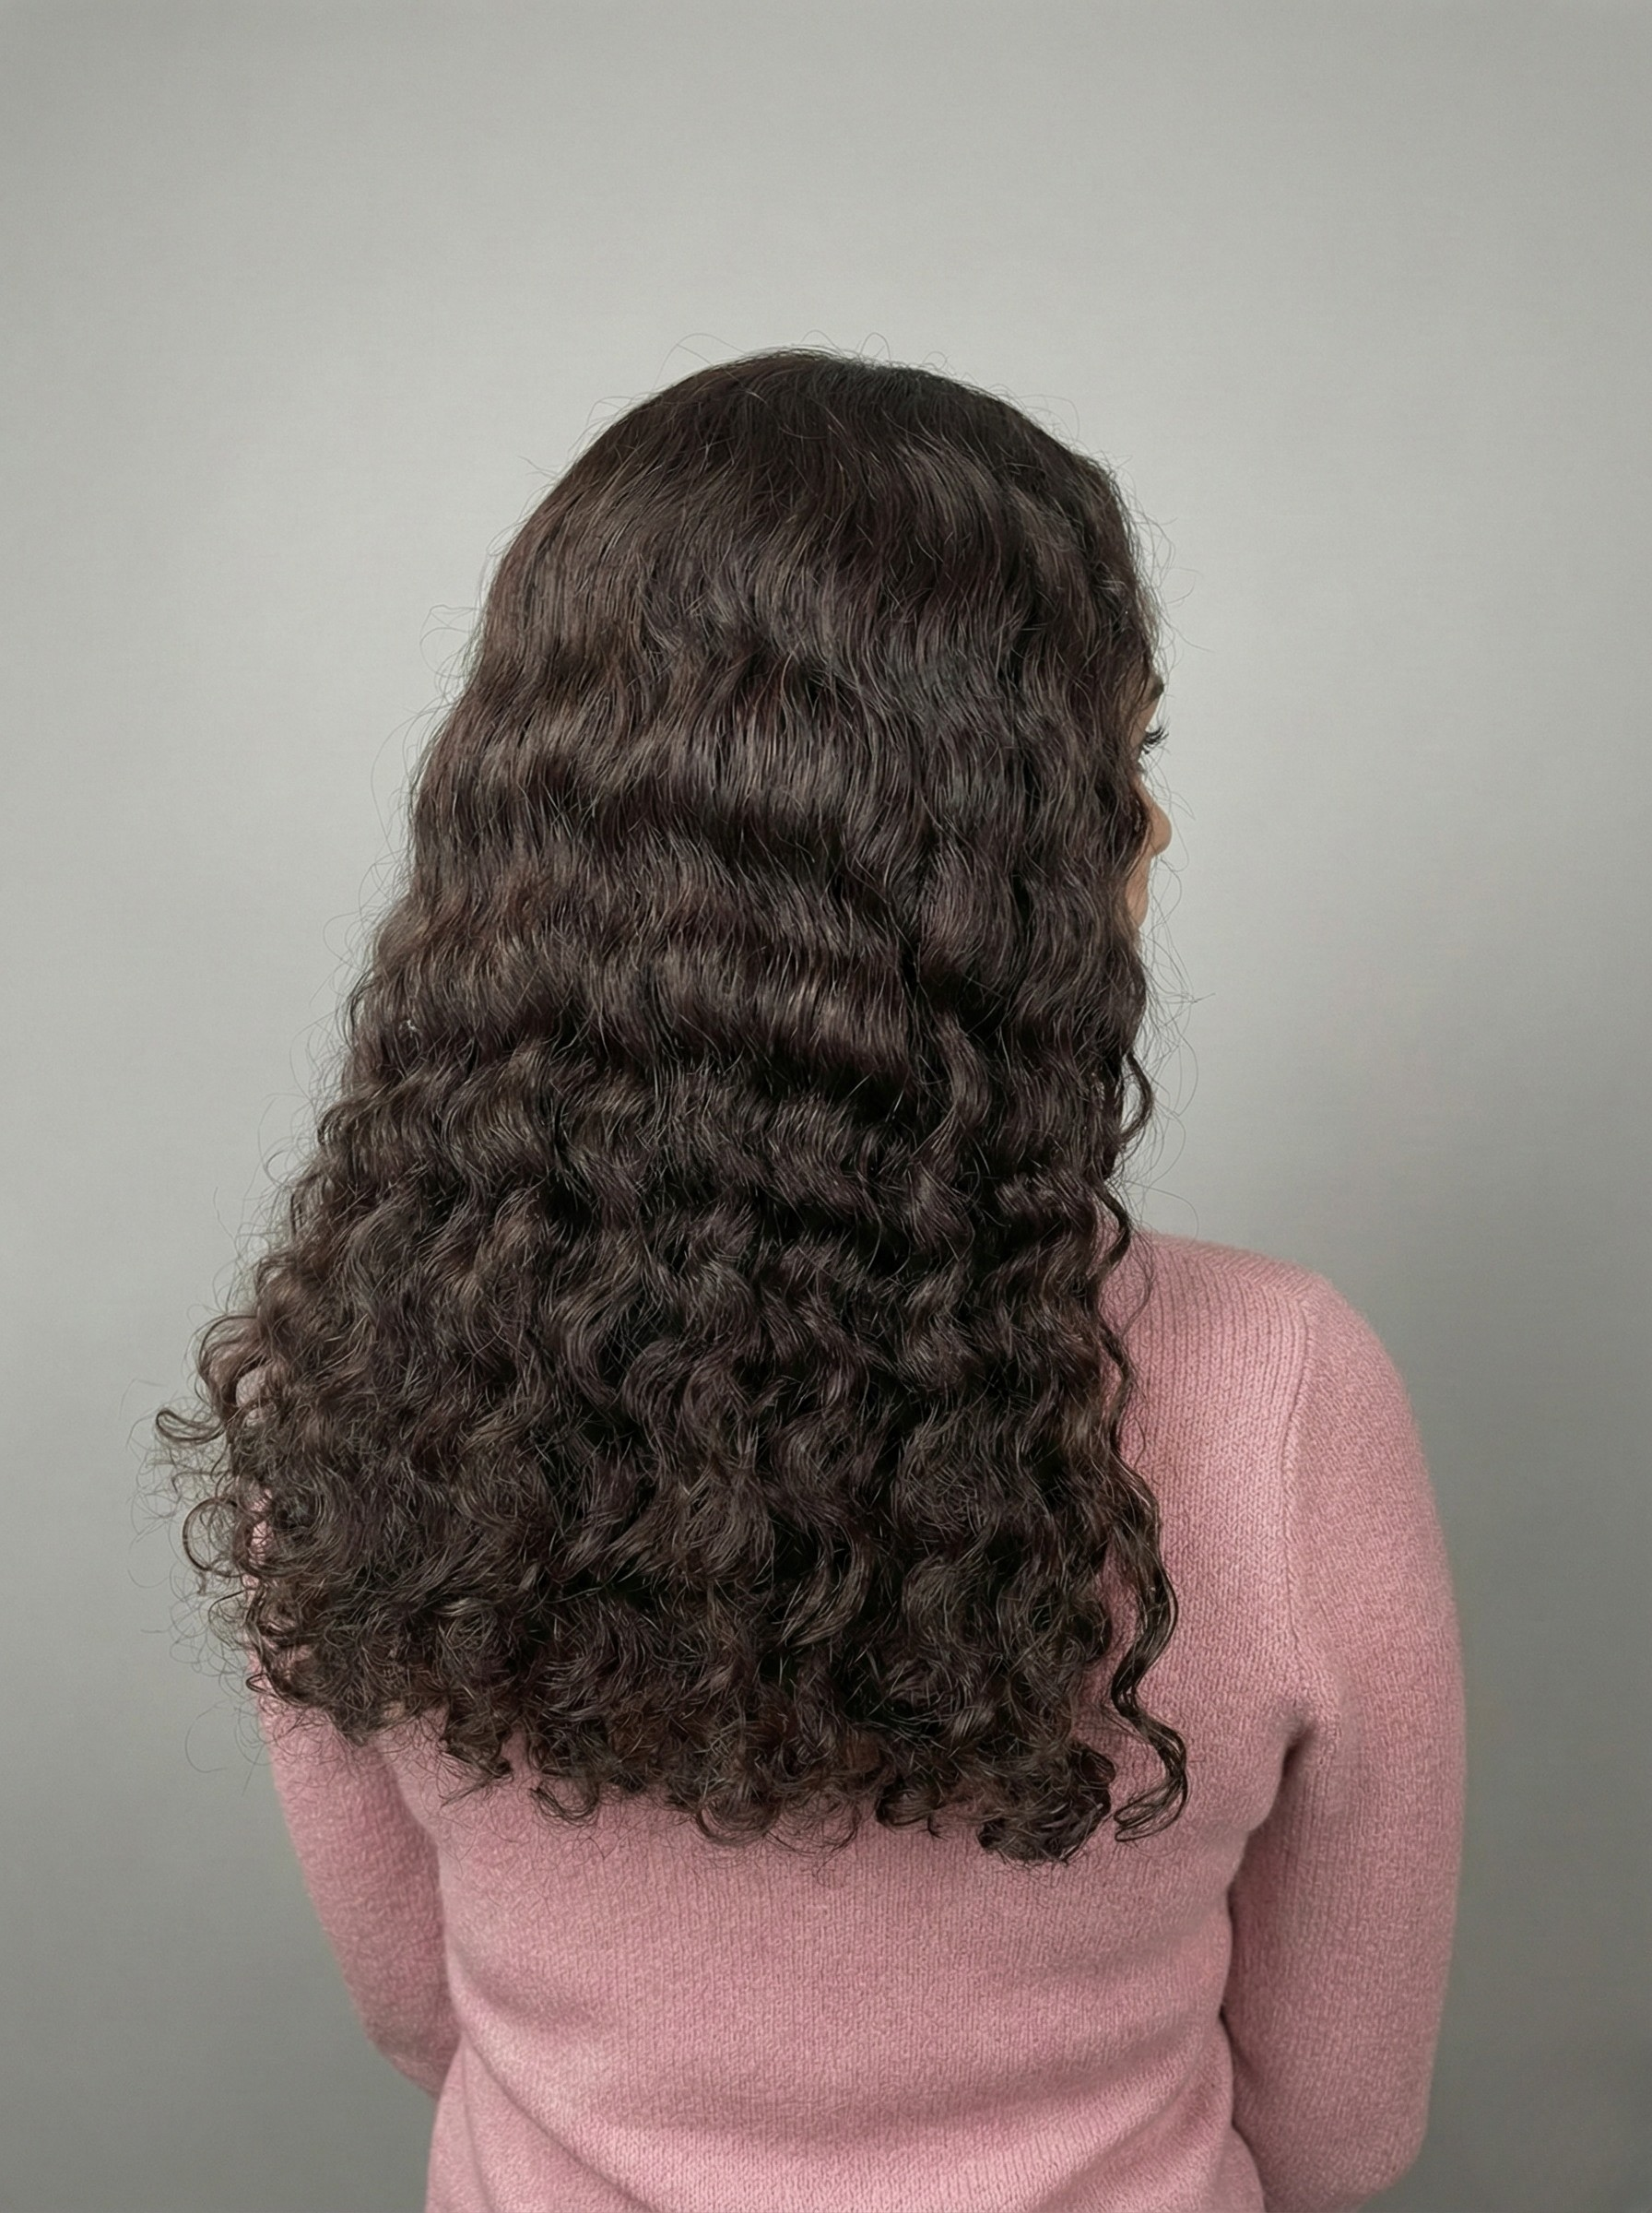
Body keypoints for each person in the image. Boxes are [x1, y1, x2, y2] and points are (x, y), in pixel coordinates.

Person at [156, 346, 1465, 2213]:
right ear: (986, 849)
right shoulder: (1282, 1392)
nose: (1153, 827)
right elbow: (1341, 2123)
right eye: (1121, 766)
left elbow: (419, 2011)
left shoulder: (368, 1379)